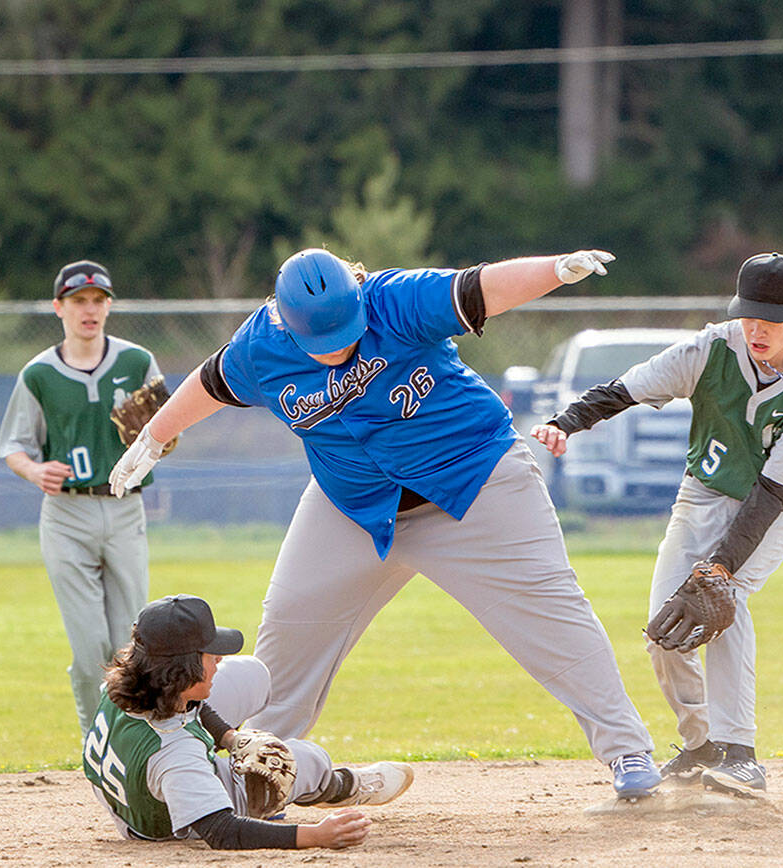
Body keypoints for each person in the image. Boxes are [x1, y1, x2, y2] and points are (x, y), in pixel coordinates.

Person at [108, 248, 662, 799]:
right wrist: (154, 437)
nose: (337, 349)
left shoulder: (394, 301)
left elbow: (480, 286)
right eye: (319, 343)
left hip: (475, 483)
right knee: (290, 624)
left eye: (345, 332)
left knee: (550, 611)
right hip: (353, 505)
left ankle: (626, 748)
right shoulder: (261, 347)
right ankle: (258, 770)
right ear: (284, 320)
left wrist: (553, 270)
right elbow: (209, 383)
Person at [531, 252, 783, 796]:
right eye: (749, 314)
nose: (757, 328)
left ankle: (740, 753)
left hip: (774, 508)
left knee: (724, 599)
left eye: (772, 317)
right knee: (662, 631)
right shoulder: (712, 348)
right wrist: (565, 422)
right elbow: (626, 389)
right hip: (701, 496)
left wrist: (719, 567)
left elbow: (771, 493)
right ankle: (701, 747)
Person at [83, 593, 413, 850]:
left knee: (250, 674)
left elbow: (189, 706)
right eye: (210, 656)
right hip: (171, 819)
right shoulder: (176, 755)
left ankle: (236, 759)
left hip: (142, 776)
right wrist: (316, 835)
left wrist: (231, 739)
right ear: (183, 671)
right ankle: (340, 786)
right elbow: (222, 831)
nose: (219, 659)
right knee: (304, 758)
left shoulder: (128, 683)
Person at [0, 260, 164, 734]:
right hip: (67, 514)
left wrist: (151, 440)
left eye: (98, 300)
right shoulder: (39, 374)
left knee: (130, 641)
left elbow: (163, 436)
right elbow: (13, 444)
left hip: (124, 506)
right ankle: (99, 744)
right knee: (90, 646)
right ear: (59, 308)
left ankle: (138, 739)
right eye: (78, 301)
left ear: (108, 306)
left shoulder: (136, 362)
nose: (89, 310)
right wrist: (34, 469)